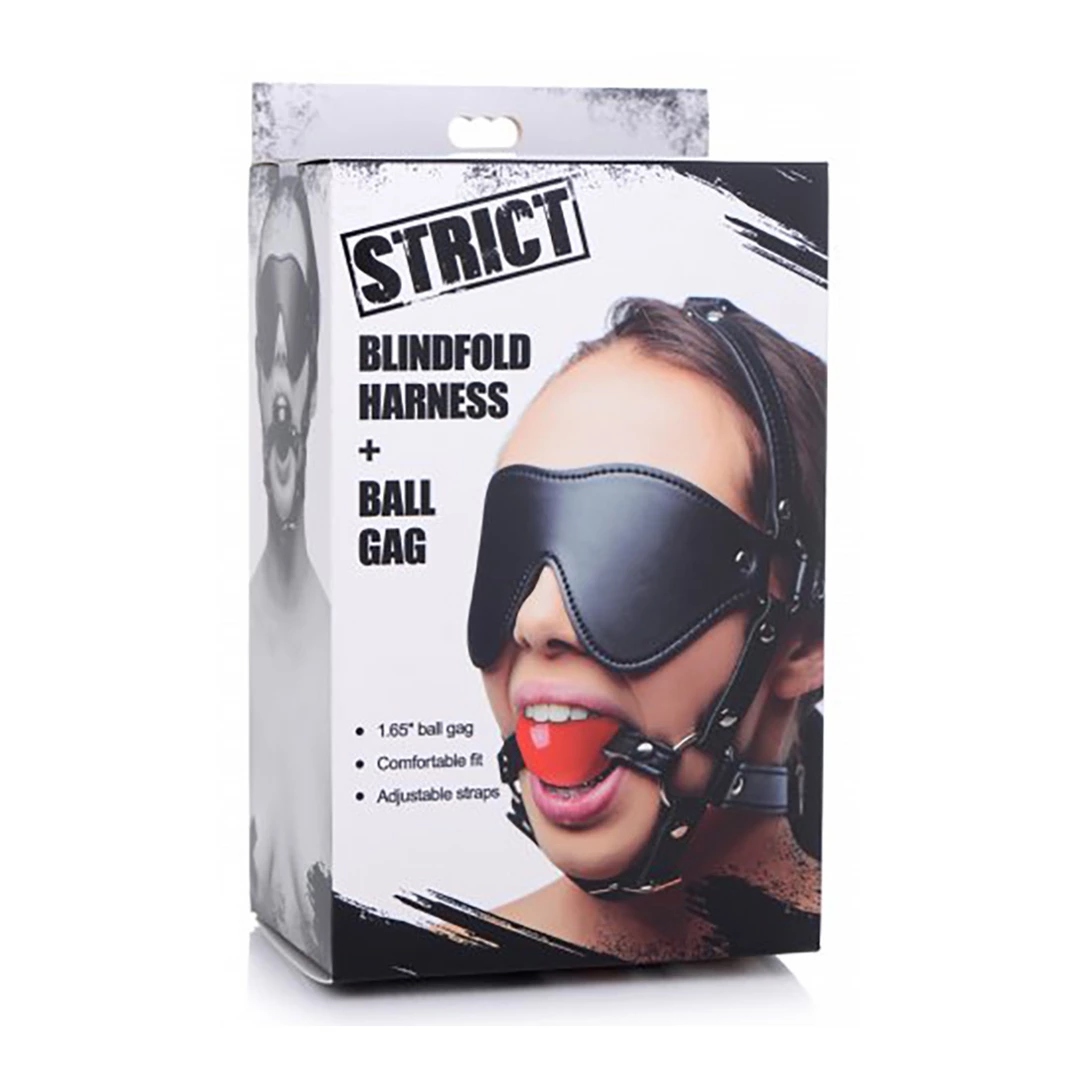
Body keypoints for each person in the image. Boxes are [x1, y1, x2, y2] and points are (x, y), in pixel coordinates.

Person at [473, 297, 825, 962]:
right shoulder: (423, 968)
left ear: (804, 639)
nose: (536, 620)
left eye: (634, 551)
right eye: (514, 547)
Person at [249, 174, 331, 968]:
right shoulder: (252, 621)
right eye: (266, 340)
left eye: (297, 339)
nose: (280, 376)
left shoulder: (338, 635)